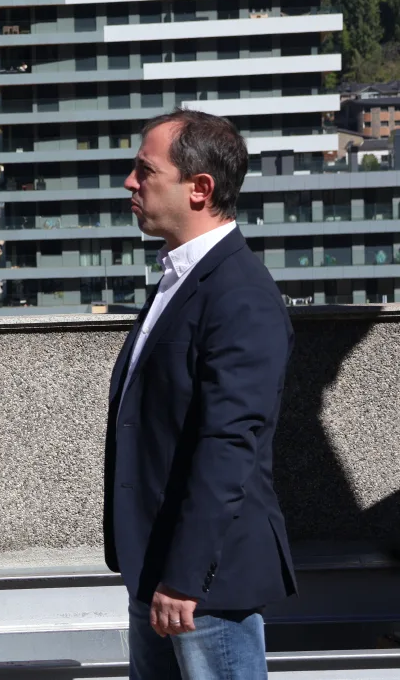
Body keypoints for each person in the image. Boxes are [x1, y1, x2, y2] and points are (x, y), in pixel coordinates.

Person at [104, 109, 297, 679]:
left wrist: (184, 577)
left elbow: (229, 445)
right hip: (160, 572)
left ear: (200, 188)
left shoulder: (240, 296)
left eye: (145, 170)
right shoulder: (183, 278)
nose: (130, 182)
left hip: (202, 585)